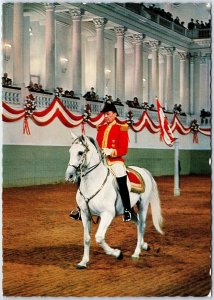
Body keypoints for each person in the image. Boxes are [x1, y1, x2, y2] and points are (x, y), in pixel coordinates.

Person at [69, 102, 133, 222]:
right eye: (104, 115)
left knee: (120, 176)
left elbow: (123, 149)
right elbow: (97, 146)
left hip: (115, 161)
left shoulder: (121, 128)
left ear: (114, 114)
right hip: (101, 161)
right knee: (83, 174)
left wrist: (112, 151)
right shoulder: (101, 128)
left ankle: (127, 209)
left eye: (108, 114)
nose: (105, 117)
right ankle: (80, 208)